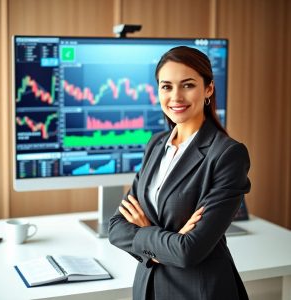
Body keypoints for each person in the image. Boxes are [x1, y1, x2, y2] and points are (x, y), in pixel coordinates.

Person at [108, 46, 251, 300]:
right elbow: (117, 227)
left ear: (208, 89)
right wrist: (167, 243)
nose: (176, 96)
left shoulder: (228, 155)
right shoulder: (156, 144)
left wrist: (144, 231)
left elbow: (188, 251)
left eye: (187, 85)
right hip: (148, 289)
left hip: (198, 292)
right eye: (166, 86)